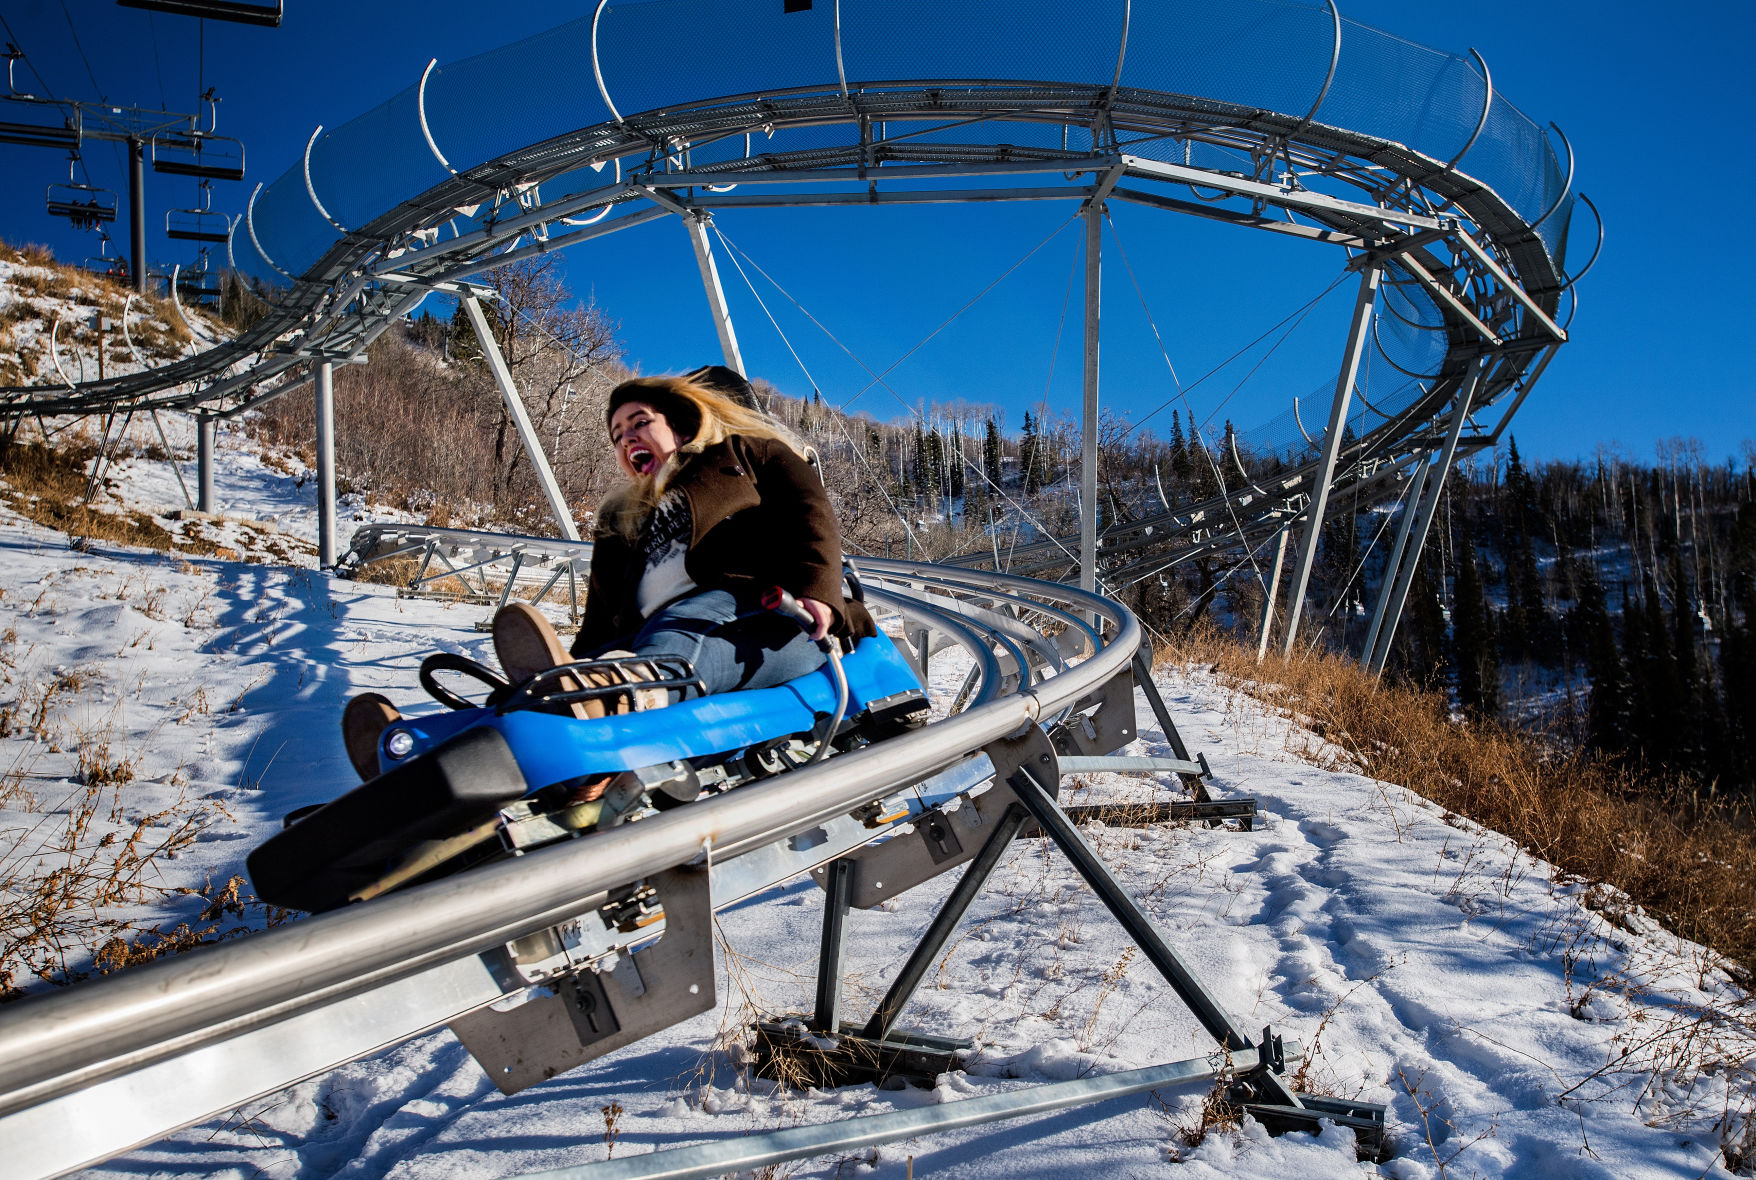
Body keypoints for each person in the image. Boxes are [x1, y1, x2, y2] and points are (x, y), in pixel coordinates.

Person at [341, 369, 874, 779]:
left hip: (774, 622)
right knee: (582, 671)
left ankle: (605, 694)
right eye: (617, 435)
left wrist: (818, 593)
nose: (626, 439)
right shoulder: (621, 520)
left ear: (682, 423)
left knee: (688, 624)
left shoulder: (746, 455)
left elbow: (811, 513)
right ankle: (428, 748)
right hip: (654, 639)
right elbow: (601, 618)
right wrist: (579, 659)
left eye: (640, 423)